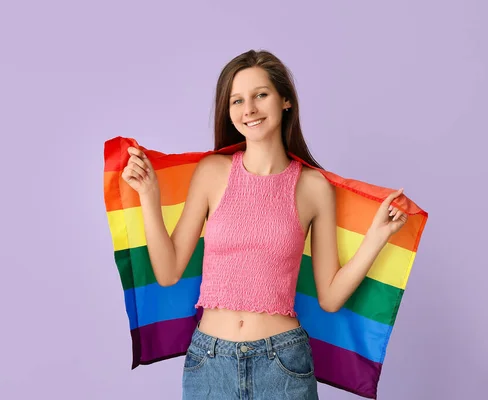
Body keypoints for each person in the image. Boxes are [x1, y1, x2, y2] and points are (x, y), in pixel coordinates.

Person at [120, 49, 407, 399]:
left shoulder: (314, 188)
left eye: (260, 95)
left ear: (285, 100)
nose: (249, 110)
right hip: (210, 364)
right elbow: (168, 272)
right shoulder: (211, 173)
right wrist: (149, 195)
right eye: (237, 100)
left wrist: (377, 237)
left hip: (283, 363)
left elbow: (330, 298)